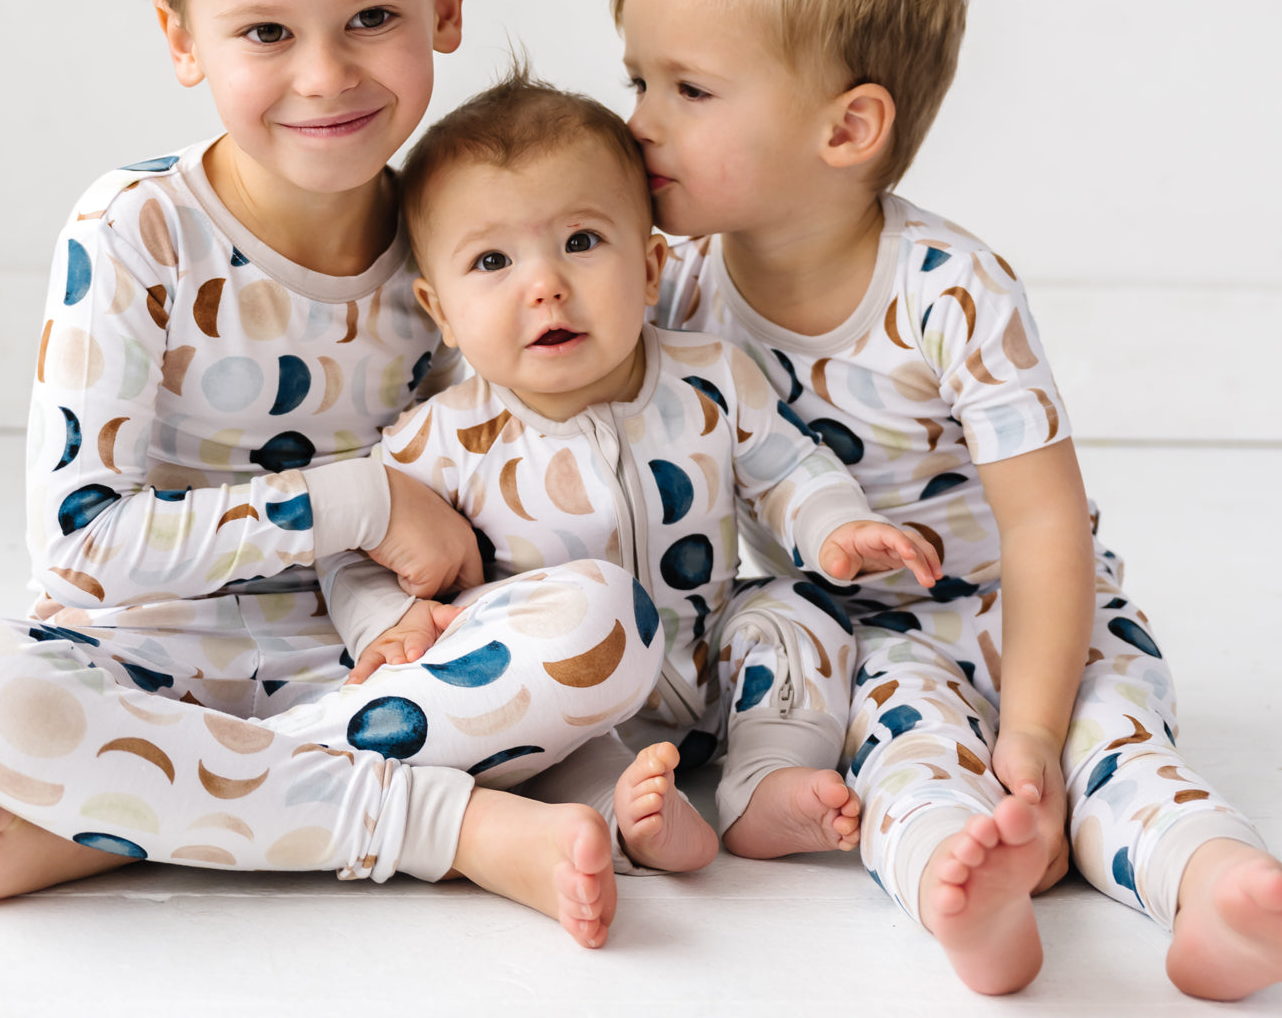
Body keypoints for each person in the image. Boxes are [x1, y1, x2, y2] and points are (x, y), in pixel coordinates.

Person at [0, 0, 665, 950]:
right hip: (139, 653)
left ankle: (125, 819)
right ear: (182, 38)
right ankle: (445, 827)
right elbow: (82, 548)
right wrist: (359, 501)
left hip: (370, 661)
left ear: (446, 4)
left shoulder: (460, 245)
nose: (325, 73)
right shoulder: (134, 229)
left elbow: (488, 474)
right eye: (266, 30)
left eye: (371, 17)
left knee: (605, 622)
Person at [615, 0, 1282, 998]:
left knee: (1111, 746)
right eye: (636, 78)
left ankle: (1217, 881)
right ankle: (962, 897)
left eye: (688, 88)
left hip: (1034, 612)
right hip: (861, 633)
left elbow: (1045, 526)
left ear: (847, 127)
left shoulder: (949, 289)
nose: (639, 120)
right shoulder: (671, 285)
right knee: (904, 759)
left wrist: (1032, 728)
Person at [318, 74, 942, 877]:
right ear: (442, 311)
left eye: (580, 241)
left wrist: (835, 526)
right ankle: (626, 815)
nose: (545, 284)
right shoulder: (441, 438)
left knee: (798, 612)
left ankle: (765, 775)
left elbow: (788, 465)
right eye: (493, 260)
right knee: (520, 716)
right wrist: (392, 619)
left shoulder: (710, 377)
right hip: (574, 704)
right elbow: (358, 551)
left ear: (650, 268)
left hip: (710, 663)